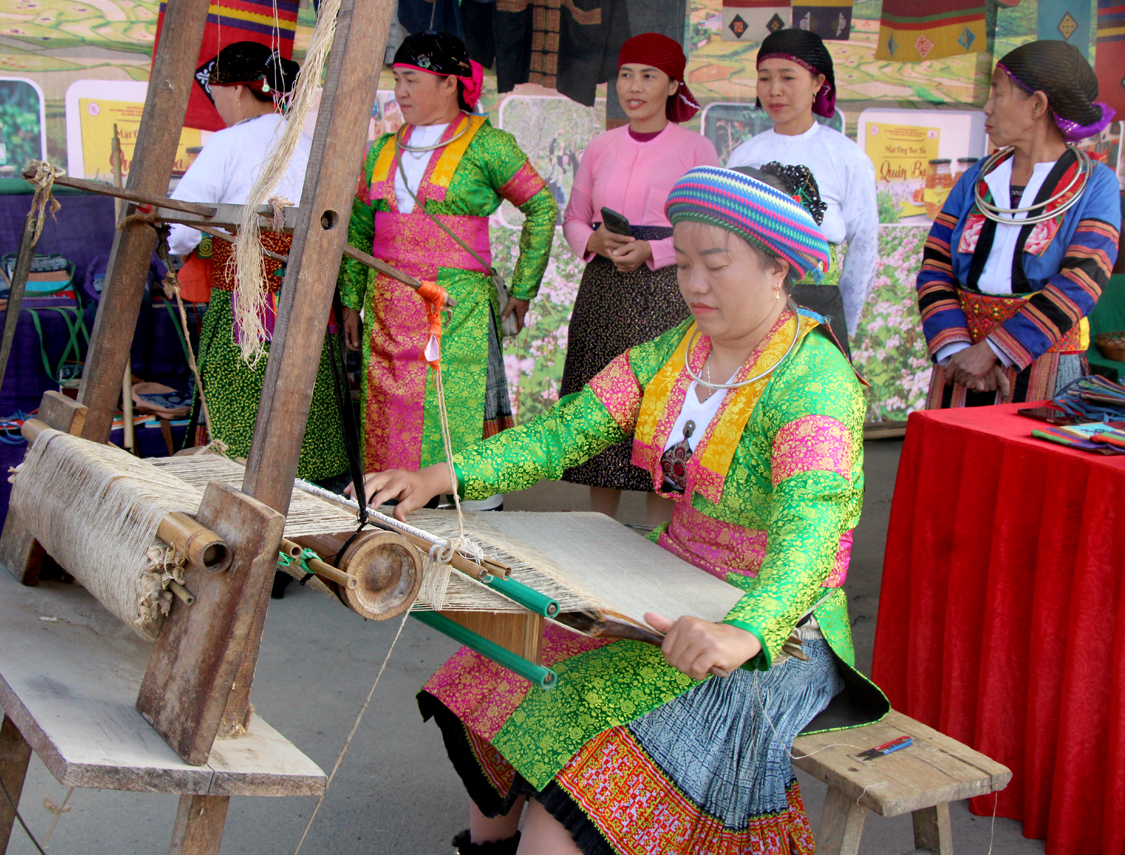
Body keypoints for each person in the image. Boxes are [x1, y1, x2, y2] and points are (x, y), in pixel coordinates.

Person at [359, 167, 886, 855]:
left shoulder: (815, 384)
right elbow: (567, 430)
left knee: (579, 789)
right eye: (686, 261)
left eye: (715, 264)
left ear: (779, 265)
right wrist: (444, 474)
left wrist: (746, 631)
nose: (693, 284)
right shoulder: (680, 352)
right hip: (667, 580)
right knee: (505, 665)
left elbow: (812, 534)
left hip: (777, 630)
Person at [341, 32, 557, 510]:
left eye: (411, 79)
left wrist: (522, 291)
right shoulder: (377, 152)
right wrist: (350, 302)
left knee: (449, 404)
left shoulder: (489, 145)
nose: (400, 91)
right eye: (397, 79)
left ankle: (459, 504)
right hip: (385, 310)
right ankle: (382, 503)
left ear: (450, 84)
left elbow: (542, 207)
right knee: (384, 410)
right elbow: (357, 231)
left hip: (455, 309)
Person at [166, 41, 349, 485]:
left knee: (242, 401)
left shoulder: (226, 145)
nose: (218, 105)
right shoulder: (310, 146)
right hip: (308, 305)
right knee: (306, 398)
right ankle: (314, 497)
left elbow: (182, 227)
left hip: (243, 305)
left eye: (217, 95)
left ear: (239, 91)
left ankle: (239, 491)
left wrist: (175, 253)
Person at [559, 32, 720, 523]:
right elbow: (574, 218)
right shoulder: (600, 146)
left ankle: (657, 536)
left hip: (668, 294)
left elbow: (710, 226)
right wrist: (594, 242)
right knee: (601, 404)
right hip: (604, 293)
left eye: (648, 76)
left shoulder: (697, 150)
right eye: (626, 74)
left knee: (663, 406)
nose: (634, 86)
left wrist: (656, 248)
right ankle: (598, 531)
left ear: (673, 85)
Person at [916, 40, 1121, 409]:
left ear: (1038, 105)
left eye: (997, 91)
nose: (987, 106)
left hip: (1046, 364)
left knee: (1030, 463)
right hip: (960, 366)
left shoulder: (1094, 184)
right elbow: (935, 266)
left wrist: (994, 350)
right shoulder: (978, 179)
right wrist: (961, 350)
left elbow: (1083, 280)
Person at [727, 28, 878, 340]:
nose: (774, 90)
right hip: (753, 309)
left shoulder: (847, 157)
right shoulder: (744, 155)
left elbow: (864, 247)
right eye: (764, 78)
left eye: (788, 77)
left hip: (819, 308)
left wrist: (844, 321)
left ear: (818, 82)